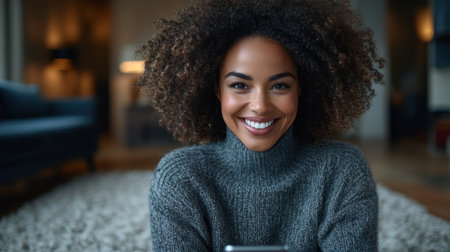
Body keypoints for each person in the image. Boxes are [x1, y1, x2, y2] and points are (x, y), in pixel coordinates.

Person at [138, 0, 384, 251]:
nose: (260, 106)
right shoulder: (181, 177)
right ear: (216, 90)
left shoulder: (341, 170)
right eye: (239, 85)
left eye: (280, 86)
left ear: (301, 88)